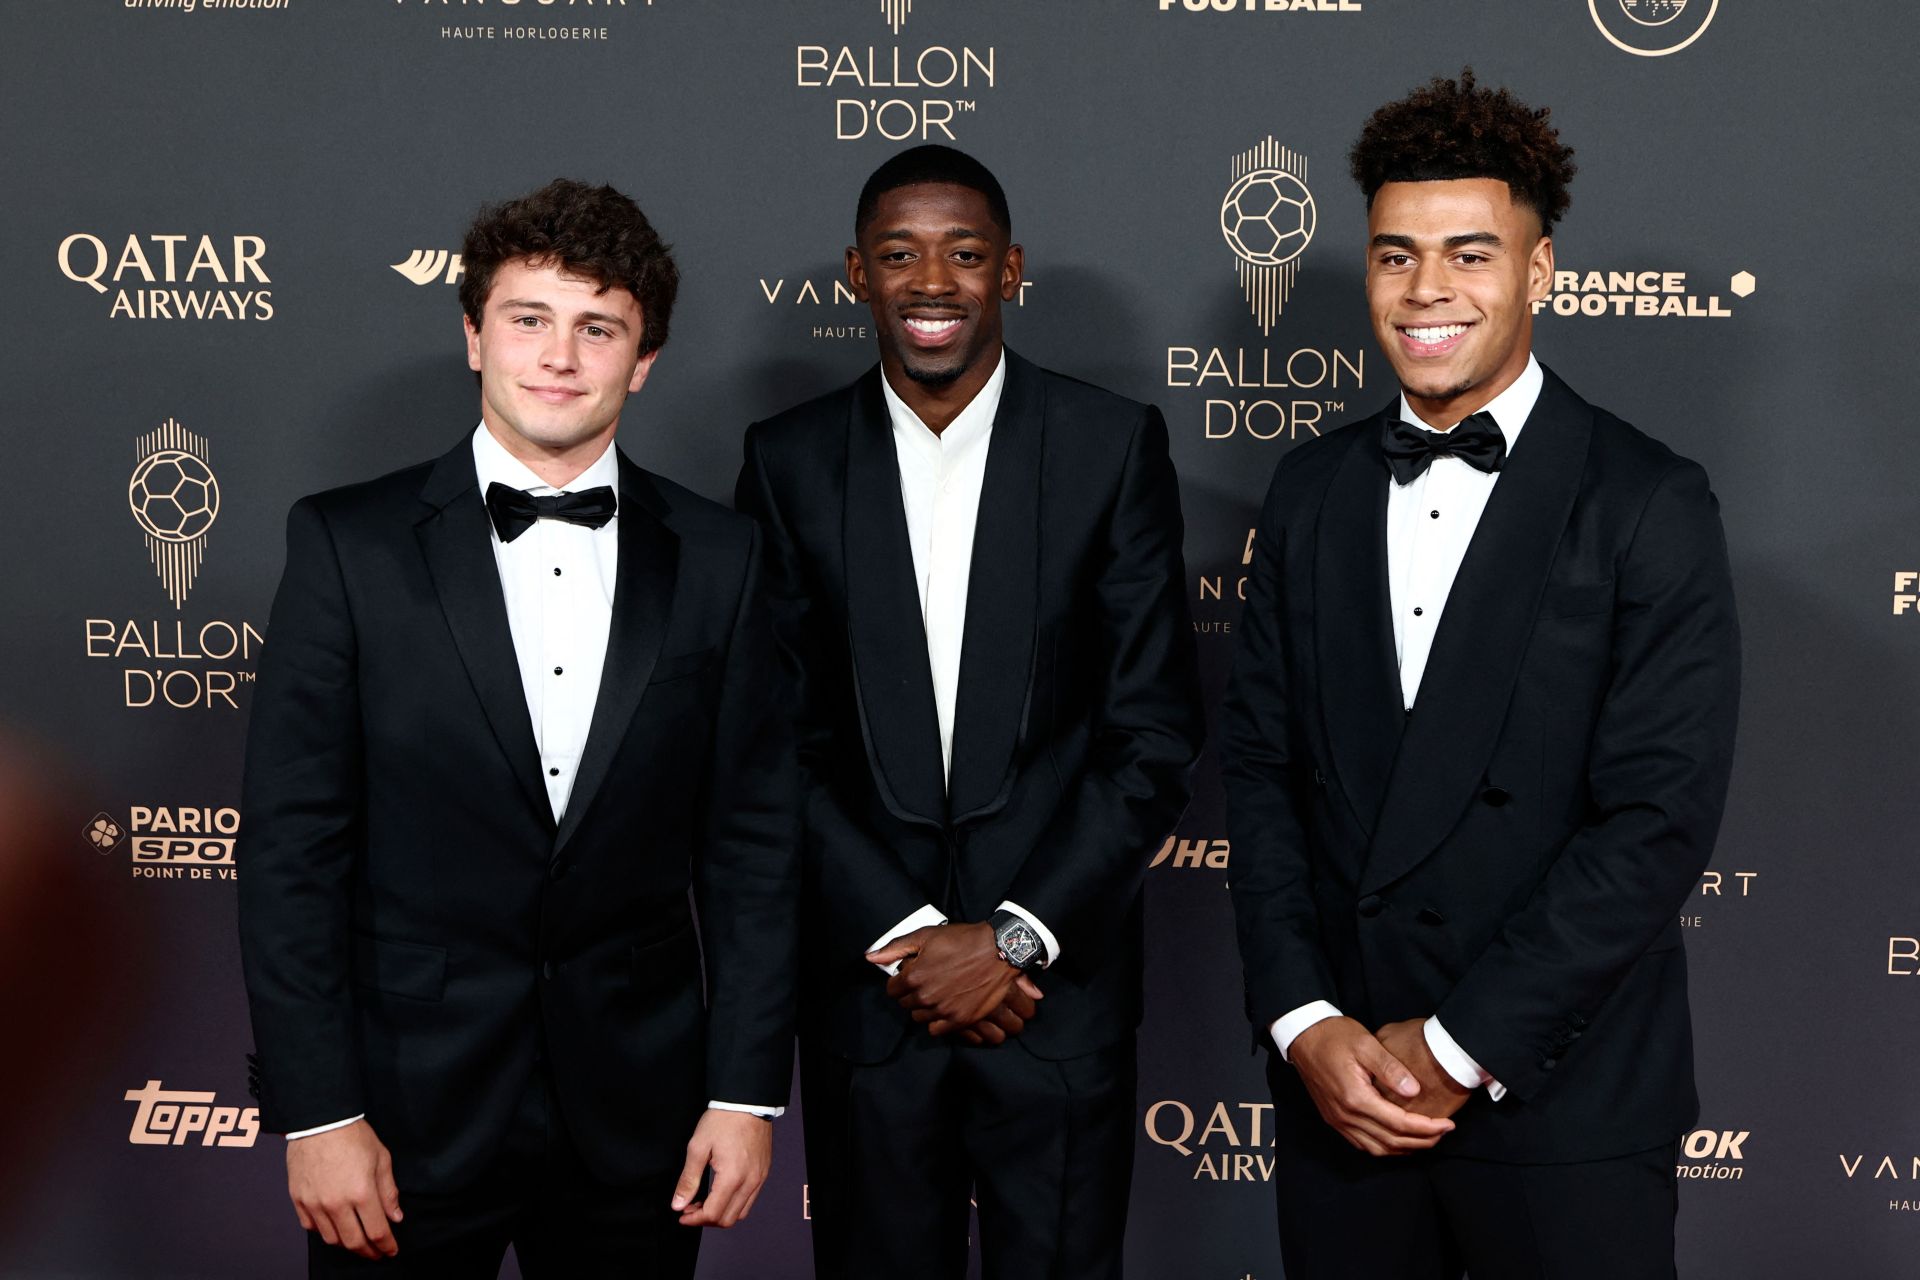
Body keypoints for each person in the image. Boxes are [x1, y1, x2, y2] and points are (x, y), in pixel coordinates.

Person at [1222, 71, 1740, 1279]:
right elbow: (1259, 773)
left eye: (1469, 253)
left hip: (1565, 1099)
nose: (1427, 290)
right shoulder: (1309, 489)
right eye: (1395, 255)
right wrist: (1305, 1020)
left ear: (1540, 268)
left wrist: (1458, 1046)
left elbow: (1655, 821)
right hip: (1345, 1089)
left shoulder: (1649, 499)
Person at [237, 178, 798, 1278]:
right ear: (473, 336)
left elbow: (754, 847)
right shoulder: (348, 546)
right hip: (399, 1114)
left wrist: (744, 1093)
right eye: (528, 318)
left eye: (598, 328)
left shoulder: (723, 558)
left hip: (638, 1116)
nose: (559, 356)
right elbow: (292, 851)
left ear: (643, 360)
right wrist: (317, 1110)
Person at [735, 145, 1205, 1279]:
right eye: (900, 255)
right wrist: (908, 940)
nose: (933, 281)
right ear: (858, 273)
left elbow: (1150, 733)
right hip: (871, 1001)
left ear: (1011, 269)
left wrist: (1010, 937)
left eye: (965, 253)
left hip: (1055, 995)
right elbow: (770, 740)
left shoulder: (1108, 444)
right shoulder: (787, 461)